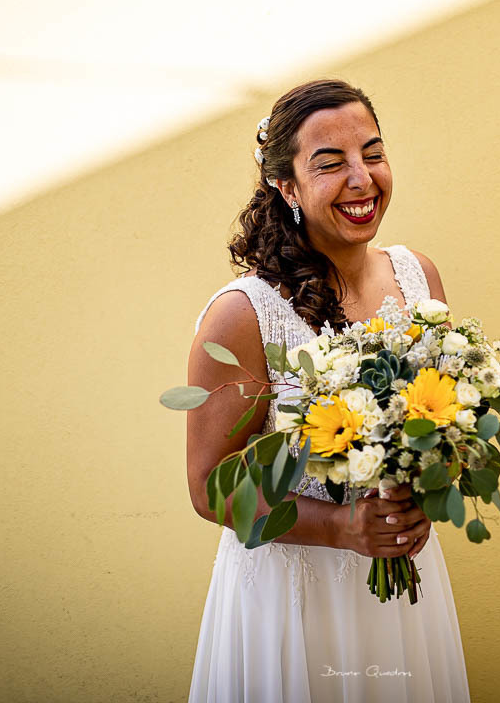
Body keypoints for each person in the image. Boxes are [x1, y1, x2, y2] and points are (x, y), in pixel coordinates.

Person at [185, 79, 472, 702]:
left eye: (373, 153)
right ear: (286, 186)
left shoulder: (418, 277)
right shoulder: (243, 314)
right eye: (330, 163)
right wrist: (344, 528)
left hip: (405, 581)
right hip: (293, 597)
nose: (362, 179)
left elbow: (445, 419)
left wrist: (425, 489)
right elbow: (211, 488)